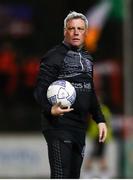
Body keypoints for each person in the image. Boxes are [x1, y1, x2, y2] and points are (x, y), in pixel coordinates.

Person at [34, 11, 107, 179]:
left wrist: (100, 119)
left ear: (86, 32)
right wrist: (49, 108)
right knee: (61, 175)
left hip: (80, 126)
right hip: (58, 125)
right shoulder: (53, 56)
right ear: (65, 31)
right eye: (71, 28)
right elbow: (39, 89)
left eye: (80, 29)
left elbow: (90, 91)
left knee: (74, 176)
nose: (76, 32)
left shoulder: (88, 58)